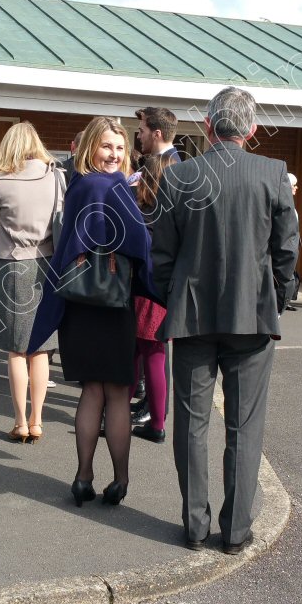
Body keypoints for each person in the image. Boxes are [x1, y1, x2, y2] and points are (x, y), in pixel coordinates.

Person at [152, 86, 298, 554]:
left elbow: (161, 257)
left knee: (192, 424)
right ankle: (235, 531)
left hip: (192, 316)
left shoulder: (179, 177)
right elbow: (286, 250)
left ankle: (195, 527)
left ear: (209, 127)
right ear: (251, 129)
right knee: (244, 425)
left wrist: (172, 296)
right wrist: (277, 295)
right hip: (252, 317)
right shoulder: (273, 174)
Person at [28, 116, 156, 507]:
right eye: (106, 146)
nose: (114, 154)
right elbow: (139, 244)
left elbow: (67, 246)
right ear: (90, 148)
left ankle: (83, 477)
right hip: (113, 304)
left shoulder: (80, 185)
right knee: (118, 395)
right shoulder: (113, 187)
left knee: (90, 394)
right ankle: (119, 481)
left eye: (120, 148)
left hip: (80, 306)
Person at [0, 122, 63, 443]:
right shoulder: (57, 177)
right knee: (40, 349)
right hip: (47, 265)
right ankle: (38, 420)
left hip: (11, 266)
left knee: (17, 351)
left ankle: (19, 422)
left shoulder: (0, 181)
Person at [130, 153, 173, 444]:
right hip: (164, 292)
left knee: (140, 356)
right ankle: (155, 421)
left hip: (139, 291)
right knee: (152, 356)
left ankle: (151, 423)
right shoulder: (174, 211)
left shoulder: (138, 208)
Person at [283, 172, 302, 312]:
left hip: (293, 244)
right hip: (285, 245)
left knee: (291, 274)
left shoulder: (290, 202)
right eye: (294, 185)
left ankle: (287, 300)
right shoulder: (282, 201)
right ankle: (282, 300)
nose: (296, 188)